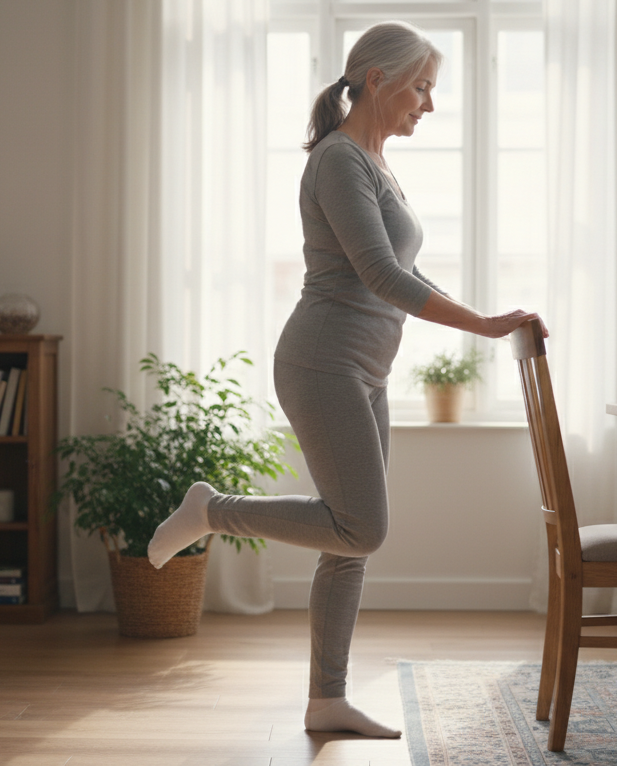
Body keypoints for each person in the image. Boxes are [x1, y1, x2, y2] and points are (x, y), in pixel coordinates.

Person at [148, 20, 546, 738]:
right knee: (362, 528)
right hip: (321, 360)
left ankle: (325, 699)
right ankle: (211, 510)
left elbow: (407, 270)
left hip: (363, 368)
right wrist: (481, 327)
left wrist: (485, 314)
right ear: (377, 80)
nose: (428, 103)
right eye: (421, 87)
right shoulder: (338, 160)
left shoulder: (374, 162)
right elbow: (380, 275)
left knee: (345, 542)